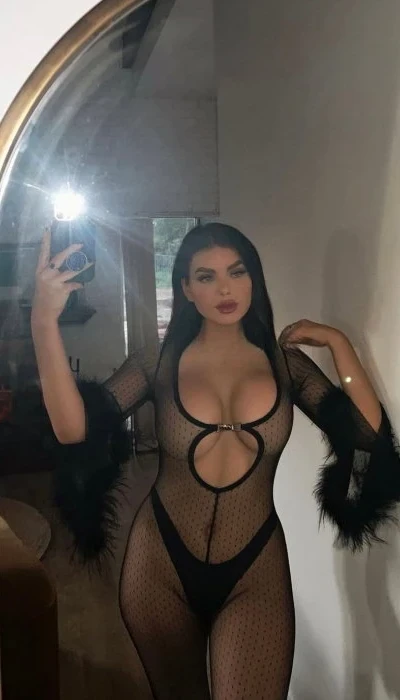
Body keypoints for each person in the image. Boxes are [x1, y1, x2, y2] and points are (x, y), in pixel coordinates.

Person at [31, 223, 400, 700]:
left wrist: (337, 342)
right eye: (206, 277)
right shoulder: (156, 362)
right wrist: (44, 321)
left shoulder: (285, 365)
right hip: (158, 564)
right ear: (186, 289)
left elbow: (367, 434)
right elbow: (73, 430)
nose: (225, 289)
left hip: (255, 566)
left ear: (254, 279)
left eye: (237, 272)